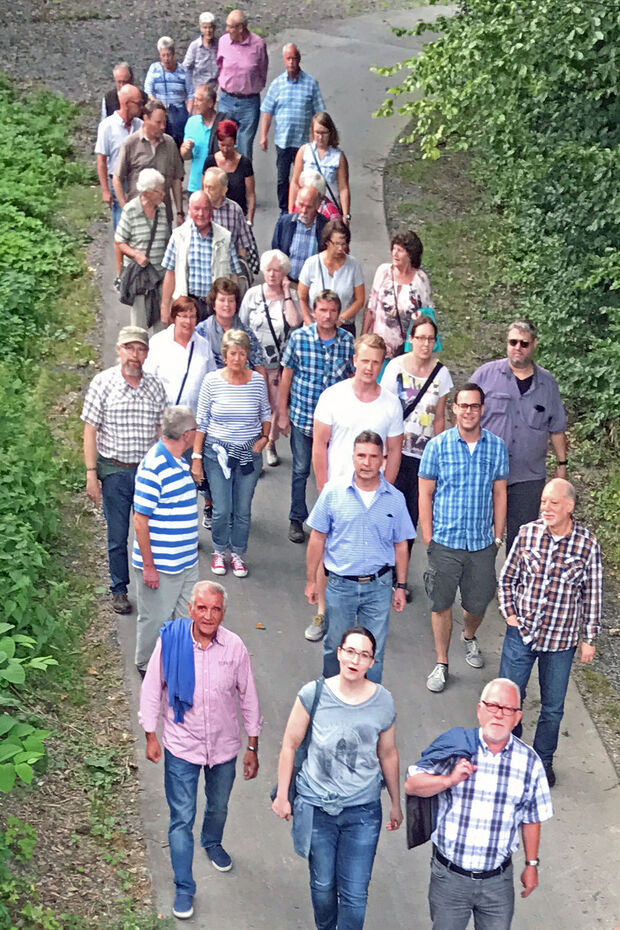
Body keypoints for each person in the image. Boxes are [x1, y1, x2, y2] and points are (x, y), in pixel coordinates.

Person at [139, 580, 262, 920]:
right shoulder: (171, 642)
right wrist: (151, 734)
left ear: (223, 613)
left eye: (216, 609)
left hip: (224, 747)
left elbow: (248, 697)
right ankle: (183, 886)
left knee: (219, 805)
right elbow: (152, 689)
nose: (208, 616)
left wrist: (253, 744)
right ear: (191, 609)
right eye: (202, 608)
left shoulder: (234, 647)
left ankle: (211, 841)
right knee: (181, 819)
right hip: (182, 746)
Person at [272, 626, 402, 930]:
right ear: (339, 653)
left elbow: (388, 754)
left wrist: (396, 803)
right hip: (318, 809)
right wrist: (281, 796)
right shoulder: (313, 694)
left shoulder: (383, 701)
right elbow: (290, 744)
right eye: (351, 651)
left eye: (364, 654)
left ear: (372, 662)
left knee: (355, 894)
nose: (356, 659)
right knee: (322, 886)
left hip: (363, 812)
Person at [406, 678, 553, 930]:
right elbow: (412, 785)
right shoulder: (458, 746)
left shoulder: (530, 762)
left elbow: (532, 817)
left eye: (507, 709)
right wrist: (449, 779)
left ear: (517, 718)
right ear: (479, 710)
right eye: (492, 706)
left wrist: (531, 865)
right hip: (450, 878)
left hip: (497, 881)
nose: (499, 714)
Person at [498, 478, 602, 787]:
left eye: (553, 503)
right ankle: (508, 753)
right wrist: (510, 614)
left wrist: (589, 638)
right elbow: (507, 578)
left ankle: (543, 760)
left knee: (553, 707)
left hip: (561, 641)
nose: (546, 507)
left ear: (569, 507)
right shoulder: (527, 534)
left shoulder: (587, 544)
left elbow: (592, 593)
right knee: (509, 698)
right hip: (522, 634)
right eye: (544, 501)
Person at [304, 334, 403, 641]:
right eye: (365, 360)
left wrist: (387, 490)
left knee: (367, 554)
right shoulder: (333, 396)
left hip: (375, 494)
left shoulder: (390, 403)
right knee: (326, 549)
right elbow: (319, 445)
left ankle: (363, 621)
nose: (369, 367)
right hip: (338, 491)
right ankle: (322, 611)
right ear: (355, 360)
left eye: (376, 362)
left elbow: (395, 450)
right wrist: (323, 487)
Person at [418, 382, 508, 693]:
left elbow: (499, 493)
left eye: (474, 406)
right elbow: (425, 492)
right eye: (463, 405)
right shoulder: (437, 446)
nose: (468, 411)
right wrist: (429, 536)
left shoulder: (496, 447)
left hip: (481, 543)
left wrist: (497, 537)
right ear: (454, 409)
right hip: (445, 541)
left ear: (482, 410)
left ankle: (469, 636)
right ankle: (441, 663)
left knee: (478, 603)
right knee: (441, 603)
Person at [306, 432, 413, 682]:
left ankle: (368, 703)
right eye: (361, 456)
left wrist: (401, 586)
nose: (366, 462)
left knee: (373, 650)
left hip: (379, 586)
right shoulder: (333, 492)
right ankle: (333, 697)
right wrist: (311, 580)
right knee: (335, 647)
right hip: (340, 585)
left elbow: (401, 545)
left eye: (373, 456)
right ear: (352, 457)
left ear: (382, 460)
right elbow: (317, 538)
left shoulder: (395, 500)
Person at [81, 326, 167, 615]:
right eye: (129, 348)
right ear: (119, 350)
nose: (135, 355)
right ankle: (119, 589)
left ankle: (155, 584)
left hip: (147, 471)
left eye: (140, 349)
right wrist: (91, 473)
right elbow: (90, 429)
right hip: (115, 470)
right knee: (118, 535)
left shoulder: (155, 386)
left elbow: (162, 431)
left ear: (146, 354)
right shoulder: (103, 383)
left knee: (152, 531)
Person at [471, 319, 567, 554]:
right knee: (479, 534)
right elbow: (465, 416)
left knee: (521, 541)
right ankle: (480, 588)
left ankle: (512, 589)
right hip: (486, 471)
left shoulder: (547, 384)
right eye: (513, 342)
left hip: (528, 477)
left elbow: (557, 427)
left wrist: (562, 466)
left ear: (534, 344)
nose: (517, 347)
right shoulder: (485, 375)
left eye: (524, 343)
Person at [191, 329, 271, 578]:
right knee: (222, 507)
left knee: (243, 509)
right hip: (217, 453)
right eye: (232, 353)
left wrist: (265, 438)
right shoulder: (212, 381)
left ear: (247, 355)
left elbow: (265, 413)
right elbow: (201, 421)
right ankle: (219, 551)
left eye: (242, 353)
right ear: (224, 355)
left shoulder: (257, 381)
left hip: (249, 453)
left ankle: (237, 553)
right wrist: (196, 458)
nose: (237, 358)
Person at [279, 290, 354, 544]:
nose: (327, 315)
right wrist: (282, 413)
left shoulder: (347, 342)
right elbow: (286, 376)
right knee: (300, 469)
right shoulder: (299, 338)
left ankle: (329, 519)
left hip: (336, 422)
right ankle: (296, 518)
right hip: (303, 416)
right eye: (322, 310)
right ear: (313, 311)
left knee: (333, 472)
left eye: (332, 310)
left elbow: (353, 379)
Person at [132, 406, 199, 674]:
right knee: (155, 618)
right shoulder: (153, 467)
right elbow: (140, 520)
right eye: (194, 429)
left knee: (184, 617)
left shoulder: (180, 461)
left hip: (186, 561)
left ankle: (175, 663)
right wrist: (149, 567)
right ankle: (145, 665)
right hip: (161, 565)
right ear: (185, 435)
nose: (197, 433)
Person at [381, 314, 453, 547]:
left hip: (423, 456)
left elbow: (440, 418)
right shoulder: (395, 367)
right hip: (395, 451)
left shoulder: (441, 374)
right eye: (420, 337)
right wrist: (381, 449)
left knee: (411, 515)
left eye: (430, 339)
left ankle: (399, 576)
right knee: (386, 510)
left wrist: (439, 458)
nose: (425, 343)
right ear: (411, 339)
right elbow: (384, 410)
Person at [239, 249, 302, 466]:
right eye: (269, 270)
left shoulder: (291, 296)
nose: (273, 274)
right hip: (255, 362)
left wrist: (286, 293)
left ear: (284, 273)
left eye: (277, 271)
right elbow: (242, 324)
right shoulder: (252, 294)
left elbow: (294, 322)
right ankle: (251, 446)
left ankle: (270, 443)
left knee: (274, 405)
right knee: (253, 405)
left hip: (278, 364)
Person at [259, 44, 325, 212]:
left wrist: (318, 138)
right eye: (288, 59)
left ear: (299, 59)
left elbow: (319, 113)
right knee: (282, 179)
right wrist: (263, 136)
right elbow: (267, 111)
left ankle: (302, 207)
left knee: (304, 178)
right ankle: (284, 210)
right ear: (283, 60)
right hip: (283, 141)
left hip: (304, 142)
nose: (291, 62)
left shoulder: (310, 83)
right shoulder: (277, 84)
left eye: (294, 58)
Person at [160, 190, 241, 325]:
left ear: (211, 211)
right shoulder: (178, 235)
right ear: (189, 210)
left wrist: (233, 306)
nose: (201, 214)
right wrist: (165, 307)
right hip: (188, 304)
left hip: (215, 306)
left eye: (205, 209)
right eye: (197, 209)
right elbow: (170, 272)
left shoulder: (224, 237)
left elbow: (233, 276)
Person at [363, 230, 434, 361]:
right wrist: (363, 338)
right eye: (394, 249)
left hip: (407, 351)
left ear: (410, 254)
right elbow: (371, 307)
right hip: (380, 348)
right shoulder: (383, 272)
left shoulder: (421, 279)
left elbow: (427, 315)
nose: (395, 253)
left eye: (400, 250)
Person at [114, 99, 185, 229]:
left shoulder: (170, 144)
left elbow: (176, 179)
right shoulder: (131, 143)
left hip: (163, 217)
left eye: (164, 122)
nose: (163, 126)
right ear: (145, 119)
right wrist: (125, 208)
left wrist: (180, 212)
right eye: (158, 122)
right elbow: (117, 177)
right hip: (137, 217)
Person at [114, 168, 171, 330]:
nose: (163, 194)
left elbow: (167, 239)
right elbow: (119, 242)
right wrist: (135, 255)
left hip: (159, 274)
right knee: (139, 326)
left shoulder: (161, 210)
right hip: (140, 277)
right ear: (147, 193)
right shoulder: (131, 210)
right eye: (159, 191)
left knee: (162, 324)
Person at [143, 296, 216, 410]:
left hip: (194, 418)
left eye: (192, 317)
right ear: (174, 317)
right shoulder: (158, 342)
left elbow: (212, 380)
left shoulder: (204, 345)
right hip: (164, 417)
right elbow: (147, 380)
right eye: (184, 316)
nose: (188, 321)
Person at [216, 10, 268, 161]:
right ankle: (223, 181)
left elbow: (262, 70)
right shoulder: (223, 41)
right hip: (226, 99)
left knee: (244, 147)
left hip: (249, 102)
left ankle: (244, 182)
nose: (227, 30)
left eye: (230, 27)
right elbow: (220, 66)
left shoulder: (258, 44)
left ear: (241, 27)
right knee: (224, 143)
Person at [95, 83, 143, 242]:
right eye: (138, 103)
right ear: (127, 104)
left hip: (137, 181)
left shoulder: (140, 126)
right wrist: (105, 190)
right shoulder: (107, 126)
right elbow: (101, 159)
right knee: (121, 223)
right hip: (117, 181)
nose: (141, 107)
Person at [297, 218, 365, 332]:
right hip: (314, 326)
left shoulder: (354, 265)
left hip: (343, 327)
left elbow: (359, 300)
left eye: (344, 244)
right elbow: (302, 297)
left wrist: (340, 320)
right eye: (336, 244)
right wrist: (309, 324)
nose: (340, 248)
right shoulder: (311, 263)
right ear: (327, 242)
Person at [194, 276, 267, 373]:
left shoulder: (246, 332)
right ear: (214, 304)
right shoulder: (200, 332)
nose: (227, 304)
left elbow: (259, 366)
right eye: (222, 300)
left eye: (231, 300)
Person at [289, 111, 350, 223]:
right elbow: (295, 182)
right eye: (317, 132)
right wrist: (291, 211)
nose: (320, 137)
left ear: (330, 133)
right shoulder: (304, 151)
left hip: (329, 209)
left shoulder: (338, 157)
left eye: (324, 133)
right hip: (306, 207)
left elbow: (343, 188)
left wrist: (346, 215)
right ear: (312, 132)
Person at [272, 185, 328, 282]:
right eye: (301, 205)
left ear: (318, 206)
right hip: (288, 282)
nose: (304, 211)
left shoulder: (325, 226)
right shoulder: (285, 223)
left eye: (309, 207)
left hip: (314, 284)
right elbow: (276, 253)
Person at [144, 37, 194, 147]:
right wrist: (156, 103)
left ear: (173, 54)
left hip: (178, 111)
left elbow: (190, 93)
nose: (166, 59)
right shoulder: (154, 69)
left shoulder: (183, 71)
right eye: (163, 55)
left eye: (168, 55)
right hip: (160, 109)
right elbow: (148, 90)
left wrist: (189, 113)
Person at [203, 119, 255, 221]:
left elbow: (250, 194)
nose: (225, 149)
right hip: (215, 217)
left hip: (238, 216)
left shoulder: (244, 163)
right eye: (222, 145)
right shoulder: (210, 161)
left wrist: (249, 219)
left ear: (235, 142)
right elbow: (204, 191)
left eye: (229, 145)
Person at [180, 85, 230, 194]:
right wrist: (186, 149)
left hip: (218, 186)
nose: (195, 103)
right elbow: (186, 156)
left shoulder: (224, 124)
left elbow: (231, 153)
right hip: (196, 186)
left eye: (199, 100)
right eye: (195, 99)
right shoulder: (192, 122)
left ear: (210, 103)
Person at [201, 167, 253, 258]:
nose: (207, 192)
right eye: (205, 187)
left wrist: (240, 267)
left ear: (223, 190)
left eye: (211, 188)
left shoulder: (235, 210)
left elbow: (243, 245)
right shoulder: (197, 208)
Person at [182, 12, 218, 91]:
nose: (208, 31)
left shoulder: (219, 45)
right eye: (205, 28)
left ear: (214, 28)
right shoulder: (194, 46)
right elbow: (185, 68)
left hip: (215, 90)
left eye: (210, 27)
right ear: (201, 28)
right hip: (199, 91)